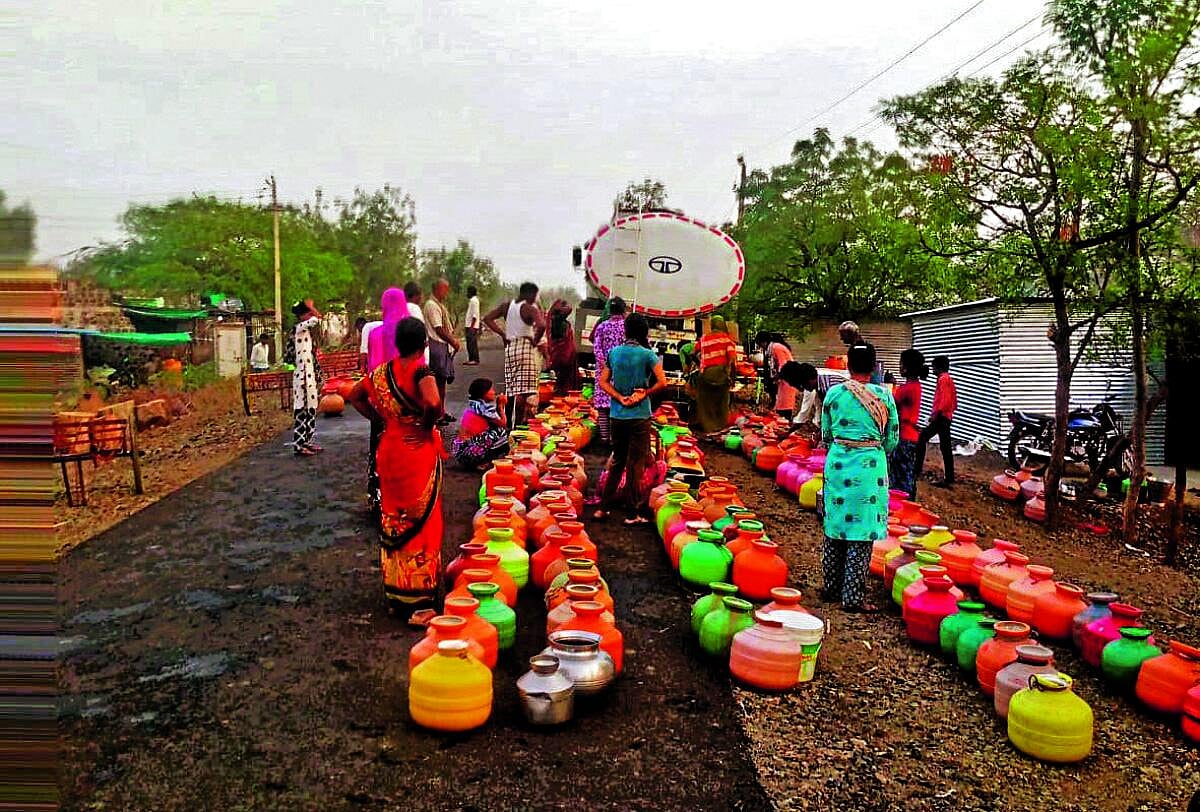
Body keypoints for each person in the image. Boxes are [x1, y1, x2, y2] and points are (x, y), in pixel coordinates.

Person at [346, 317, 445, 617]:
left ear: (397, 344)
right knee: (421, 521)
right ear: (424, 344)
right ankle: (420, 599)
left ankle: (396, 593)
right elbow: (433, 402)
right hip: (415, 451)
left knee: (394, 517)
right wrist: (425, 427)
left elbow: (354, 395)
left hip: (389, 449)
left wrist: (381, 419)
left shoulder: (381, 372)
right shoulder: (421, 372)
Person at [820, 342, 898, 612]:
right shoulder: (884, 396)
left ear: (848, 365)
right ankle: (852, 598)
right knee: (862, 532)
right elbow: (892, 440)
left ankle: (831, 588)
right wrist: (870, 447)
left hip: (838, 464)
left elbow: (826, 435)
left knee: (835, 525)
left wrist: (845, 445)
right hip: (869, 469)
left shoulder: (834, 394)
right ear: (874, 366)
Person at [595, 314, 667, 524]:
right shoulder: (648, 355)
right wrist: (645, 393)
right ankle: (631, 514)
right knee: (635, 464)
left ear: (626, 331)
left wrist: (618, 397)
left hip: (617, 414)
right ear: (644, 332)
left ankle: (603, 508)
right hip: (639, 415)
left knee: (617, 461)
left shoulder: (614, 353)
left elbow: (603, 381)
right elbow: (663, 382)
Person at [364, 288, 408, 511]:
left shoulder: (375, 333)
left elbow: (371, 367)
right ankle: (402, 496)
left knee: (379, 445)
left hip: (379, 399)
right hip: (403, 400)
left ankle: (377, 496)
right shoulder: (407, 332)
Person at [483, 282, 544, 428]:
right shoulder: (528, 308)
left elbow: (487, 318)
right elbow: (542, 325)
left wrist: (503, 334)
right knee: (524, 392)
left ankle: (507, 423)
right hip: (525, 349)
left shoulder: (507, 306)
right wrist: (535, 341)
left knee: (511, 389)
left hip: (510, 349)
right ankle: (517, 427)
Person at [589, 297, 627, 444]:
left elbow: (597, 349)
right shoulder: (626, 327)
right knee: (618, 406)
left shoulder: (602, 327)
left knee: (602, 408)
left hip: (603, 372)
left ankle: (604, 437)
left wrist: (604, 365)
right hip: (621, 371)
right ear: (623, 310)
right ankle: (615, 439)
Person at [915, 354, 957, 489]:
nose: (932, 369)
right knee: (945, 446)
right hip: (945, 417)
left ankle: (917, 470)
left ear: (939, 367)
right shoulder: (947, 379)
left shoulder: (943, 379)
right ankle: (949, 477)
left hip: (941, 417)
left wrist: (936, 414)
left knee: (922, 438)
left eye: (933, 367)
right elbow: (953, 401)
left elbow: (945, 400)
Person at [890, 349, 927, 499]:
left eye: (900, 364)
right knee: (907, 471)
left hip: (904, 436)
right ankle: (909, 500)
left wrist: (892, 386)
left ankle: (904, 502)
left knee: (900, 473)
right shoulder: (915, 386)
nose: (899, 367)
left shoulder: (907, 389)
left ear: (906, 368)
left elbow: (892, 403)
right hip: (911, 436)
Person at [288, 300, 324, 457]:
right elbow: (317, 319)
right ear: (302, 316)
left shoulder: (306, 332)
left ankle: (307, 440)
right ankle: (299, 444)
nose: (310, 316)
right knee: (301, 410)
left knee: (311, 409)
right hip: (301, 377)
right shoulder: (299, 328)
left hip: (309, 377)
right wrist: (312, 307)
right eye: (307, 313)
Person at [424, 277, 461, 425]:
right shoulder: (432, 305)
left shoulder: (438, 305)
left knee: (442, 381)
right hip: (437, 345)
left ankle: (441, 411)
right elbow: (438, 328)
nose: (447, 292)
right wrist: (453, 341)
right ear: (437, 289)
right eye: (445, 289)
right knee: (438, 381)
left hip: (442, 346)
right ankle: (436, 414)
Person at [452, 378, 510, 469]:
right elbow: (503, 423)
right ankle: (484, 461)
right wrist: (500, 406)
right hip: (468, 453)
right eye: (491, 389)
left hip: (461, 450)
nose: (494, 392)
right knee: (501, 432)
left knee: (495, 431)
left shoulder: (475, 404)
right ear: (483, 393)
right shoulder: (482, 407)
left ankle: (483, 461)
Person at [694, 315, 738, 434]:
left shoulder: (704, 339)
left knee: (706, 403)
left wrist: (700, 364)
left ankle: (708, 428)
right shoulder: (727, 340)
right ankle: (720, 428)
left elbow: (694, 353)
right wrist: (732, 377)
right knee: (721, 402)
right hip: (721, 374)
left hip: (705, 373)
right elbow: (732, 360)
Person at [756, 331, 797, 420]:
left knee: (784, 409)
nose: (761, 347)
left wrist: (775, 378)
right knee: (780, 407)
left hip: (788, 380)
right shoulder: (773, 349)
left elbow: (784, 366)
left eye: (760, 344)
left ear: (764, 342)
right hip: (783, 381)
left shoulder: (776, 348)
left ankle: (785, 424)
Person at [546, 299, 579, 397]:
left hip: (560, 358)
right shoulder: (560, 323)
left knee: (561, 383)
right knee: (564, 384)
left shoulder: (553, 322)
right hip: (564, 358)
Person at [403, 281, 430, 365]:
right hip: (417, 354)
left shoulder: (402, 308)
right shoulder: (414, 308)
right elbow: (419, 329)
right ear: (416, 295)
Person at [463, 284, 482, 366]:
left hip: (472, 326)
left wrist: (471, 326)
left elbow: (475, 315)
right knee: (469, 343)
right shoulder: (472, 301)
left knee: (472, 343)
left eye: (468, 292)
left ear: (471, 292)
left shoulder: (474, 301)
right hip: (470, 325)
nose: (467, 294)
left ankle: (475, 359)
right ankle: (471, 359)